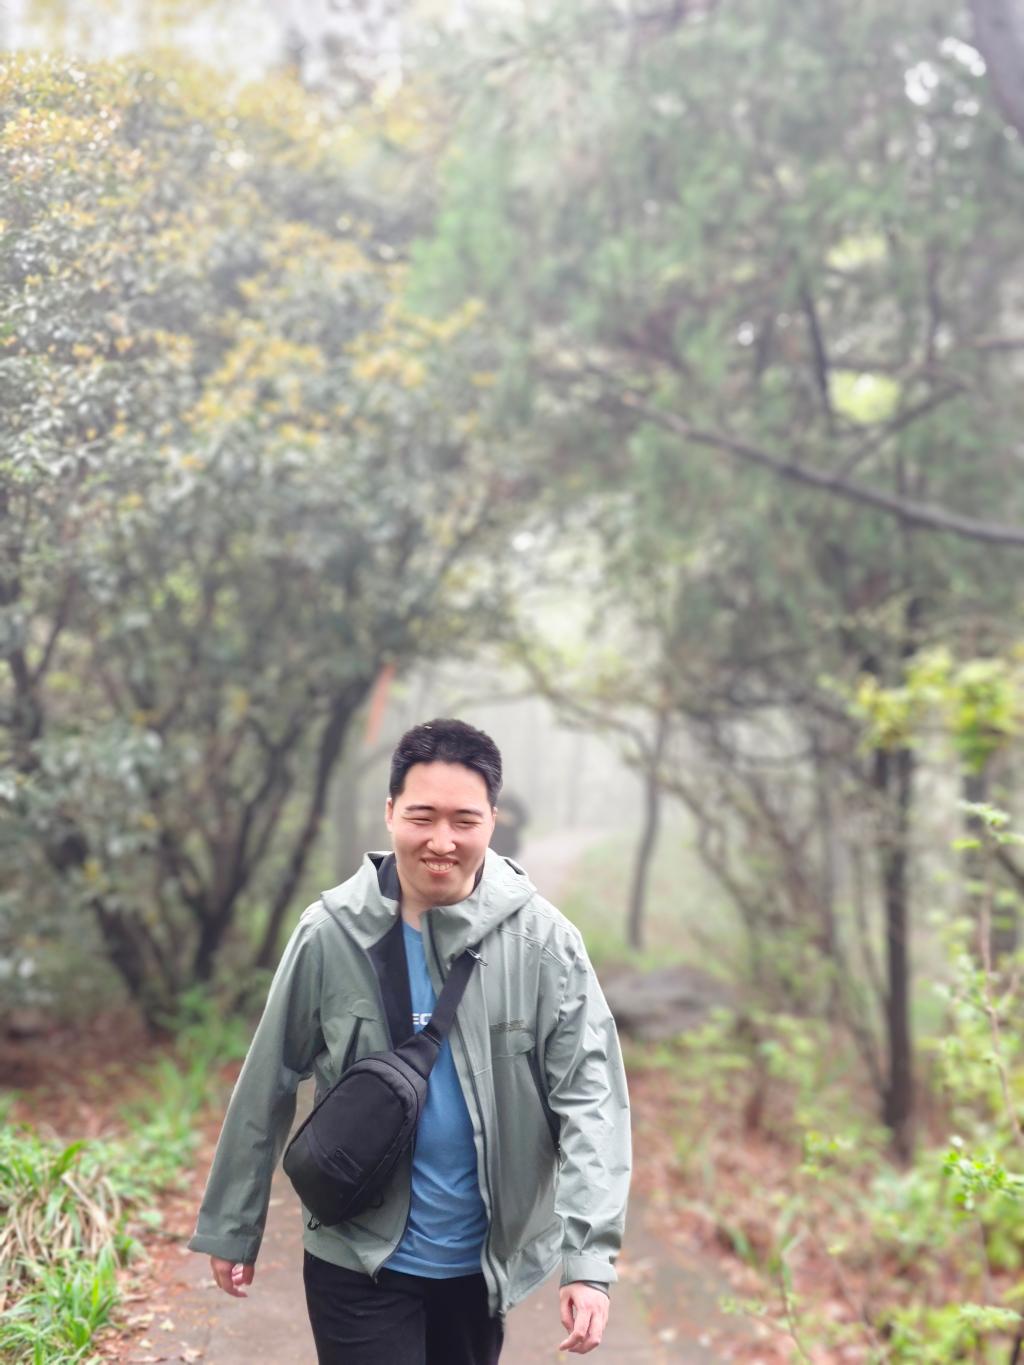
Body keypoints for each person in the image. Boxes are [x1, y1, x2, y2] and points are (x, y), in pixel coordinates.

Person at [189, 717, 631, 1364]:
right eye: (422, 817)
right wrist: (233, 1223)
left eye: (464, 820)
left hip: (479, 1266)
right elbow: (268, 1081)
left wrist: (589, 1261)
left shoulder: (544, 944)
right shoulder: (330, 934)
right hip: (354, 1251)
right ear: (390, 811)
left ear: (493, 821)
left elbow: (591, 1100)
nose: (441, 841)